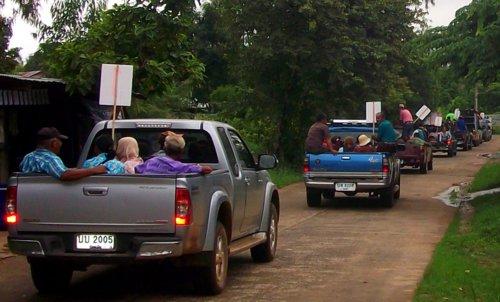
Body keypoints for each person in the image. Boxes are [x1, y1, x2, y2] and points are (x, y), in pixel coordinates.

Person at [20, 127, 106, 180]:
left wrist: (77, 170)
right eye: (60, 141)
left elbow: (58, 170)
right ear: (54, 143)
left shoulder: (28, 157)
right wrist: (94, 170)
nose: (61, 144)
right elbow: (64, 174)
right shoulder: (50, 159)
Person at [135, 131, 213, 175]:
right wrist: (200, 168)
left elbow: (137, 169)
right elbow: (207, 169)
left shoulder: (150, 161)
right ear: (182, 151)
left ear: (164, 148)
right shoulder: (178, 166)